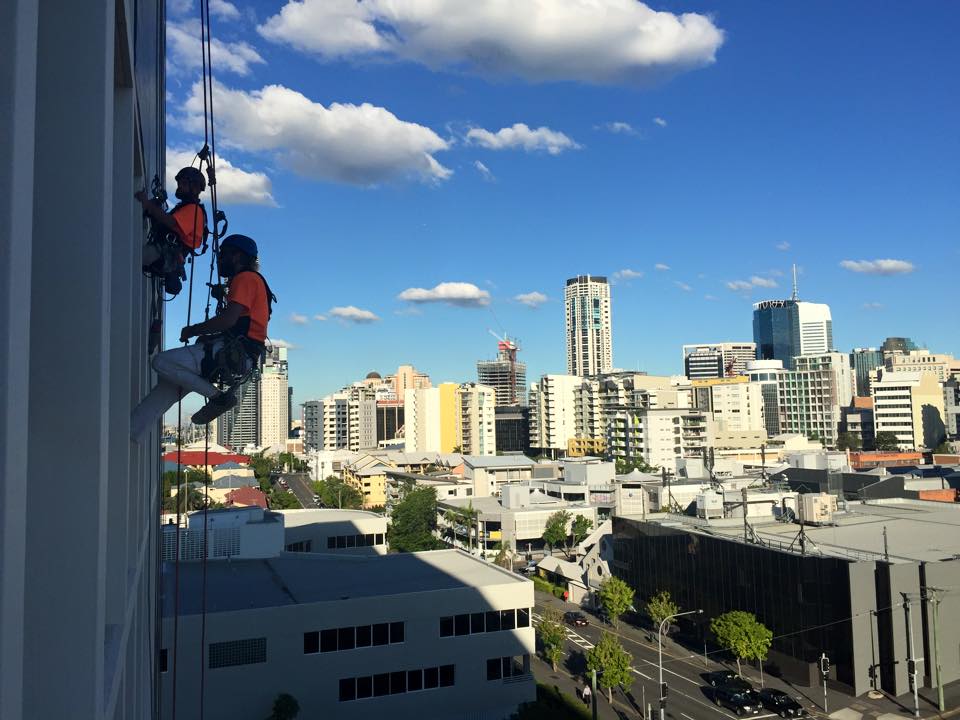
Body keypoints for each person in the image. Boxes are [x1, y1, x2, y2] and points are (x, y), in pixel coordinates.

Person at [130, 234, 272, 440]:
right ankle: (131, 433)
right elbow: (240, 322)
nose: (219, 259)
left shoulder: (246, 278)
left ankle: (218, 398)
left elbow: (228, 320)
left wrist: (193, 330)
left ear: (237, 256)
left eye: (223, 254)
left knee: (161, 362)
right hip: (237, 354)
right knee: (162, 394)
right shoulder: (253, 282)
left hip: (229, 351)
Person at [137, 167, 208, 296]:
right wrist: (154, 208)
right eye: (179, 183)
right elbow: (166, 225)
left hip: (164, 253)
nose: (180, 186)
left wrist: (147, 204)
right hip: (164, 253)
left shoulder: (194, 210)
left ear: (195, 188)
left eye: (184, 183)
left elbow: (170, 222)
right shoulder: (185, 209)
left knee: (131, 258)